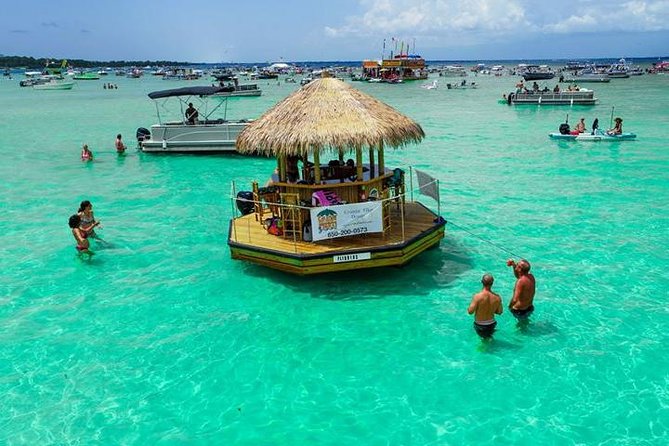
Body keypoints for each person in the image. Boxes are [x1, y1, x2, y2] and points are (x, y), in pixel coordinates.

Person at [467, 274, 503, 339]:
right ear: (492, 283)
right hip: (492, 324)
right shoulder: (497, 297)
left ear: (482, 282)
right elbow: (500, 312)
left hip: (480, 325)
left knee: (483, 343)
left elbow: (470, 312)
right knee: (488, 339)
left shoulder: (477, 297)